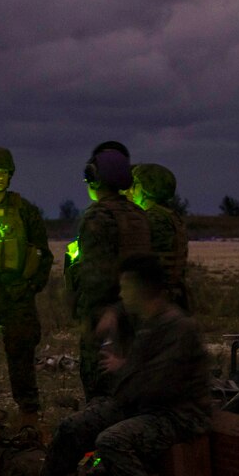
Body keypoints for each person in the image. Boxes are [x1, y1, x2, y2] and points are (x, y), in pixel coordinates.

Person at [22, 254, 212, 476]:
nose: (121, 293)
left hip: (177, 414)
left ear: (141, 289)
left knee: (112, 441)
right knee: (72, 427)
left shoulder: (177, 328)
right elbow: (137, 380)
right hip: (142, 403)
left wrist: (123, 369)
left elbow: (157, 385)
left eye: (126, 287)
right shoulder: (147, 320)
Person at [0, 146, 53, 427]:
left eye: (4, 173)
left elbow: (43, 254)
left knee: (21, 360)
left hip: (17, 296)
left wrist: (30, 286)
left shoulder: (25, 211)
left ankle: (29, 421)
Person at [64, 141, 150, 400]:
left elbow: (96, 280)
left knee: (99, 385)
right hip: (137, 313)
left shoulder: (97, 217)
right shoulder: (138, 214)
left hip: (105, 316)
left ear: (94, 177)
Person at [127, 163, 190, 311]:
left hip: (155, 298)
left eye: (135, 185)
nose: (131, 190)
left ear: (145, 189)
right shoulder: (171, 216)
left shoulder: (152, 219)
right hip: (174, 295)